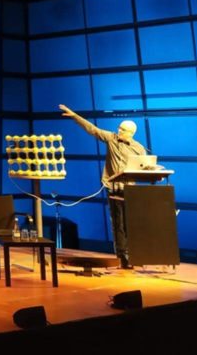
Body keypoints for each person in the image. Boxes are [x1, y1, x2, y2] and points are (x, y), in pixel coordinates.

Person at [59, 104, 145, 269]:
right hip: (113, 187)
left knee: (130, 223)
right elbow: (92, 129)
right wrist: (74, 115)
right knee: (118, 223)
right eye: (119, 128)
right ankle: (123, 257)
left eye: (123, 129)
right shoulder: (111, 138)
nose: (119, 131)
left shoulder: (139, 149)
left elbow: (144, 168)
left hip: (131, 189)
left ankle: (135, 254)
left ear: (131, 133)